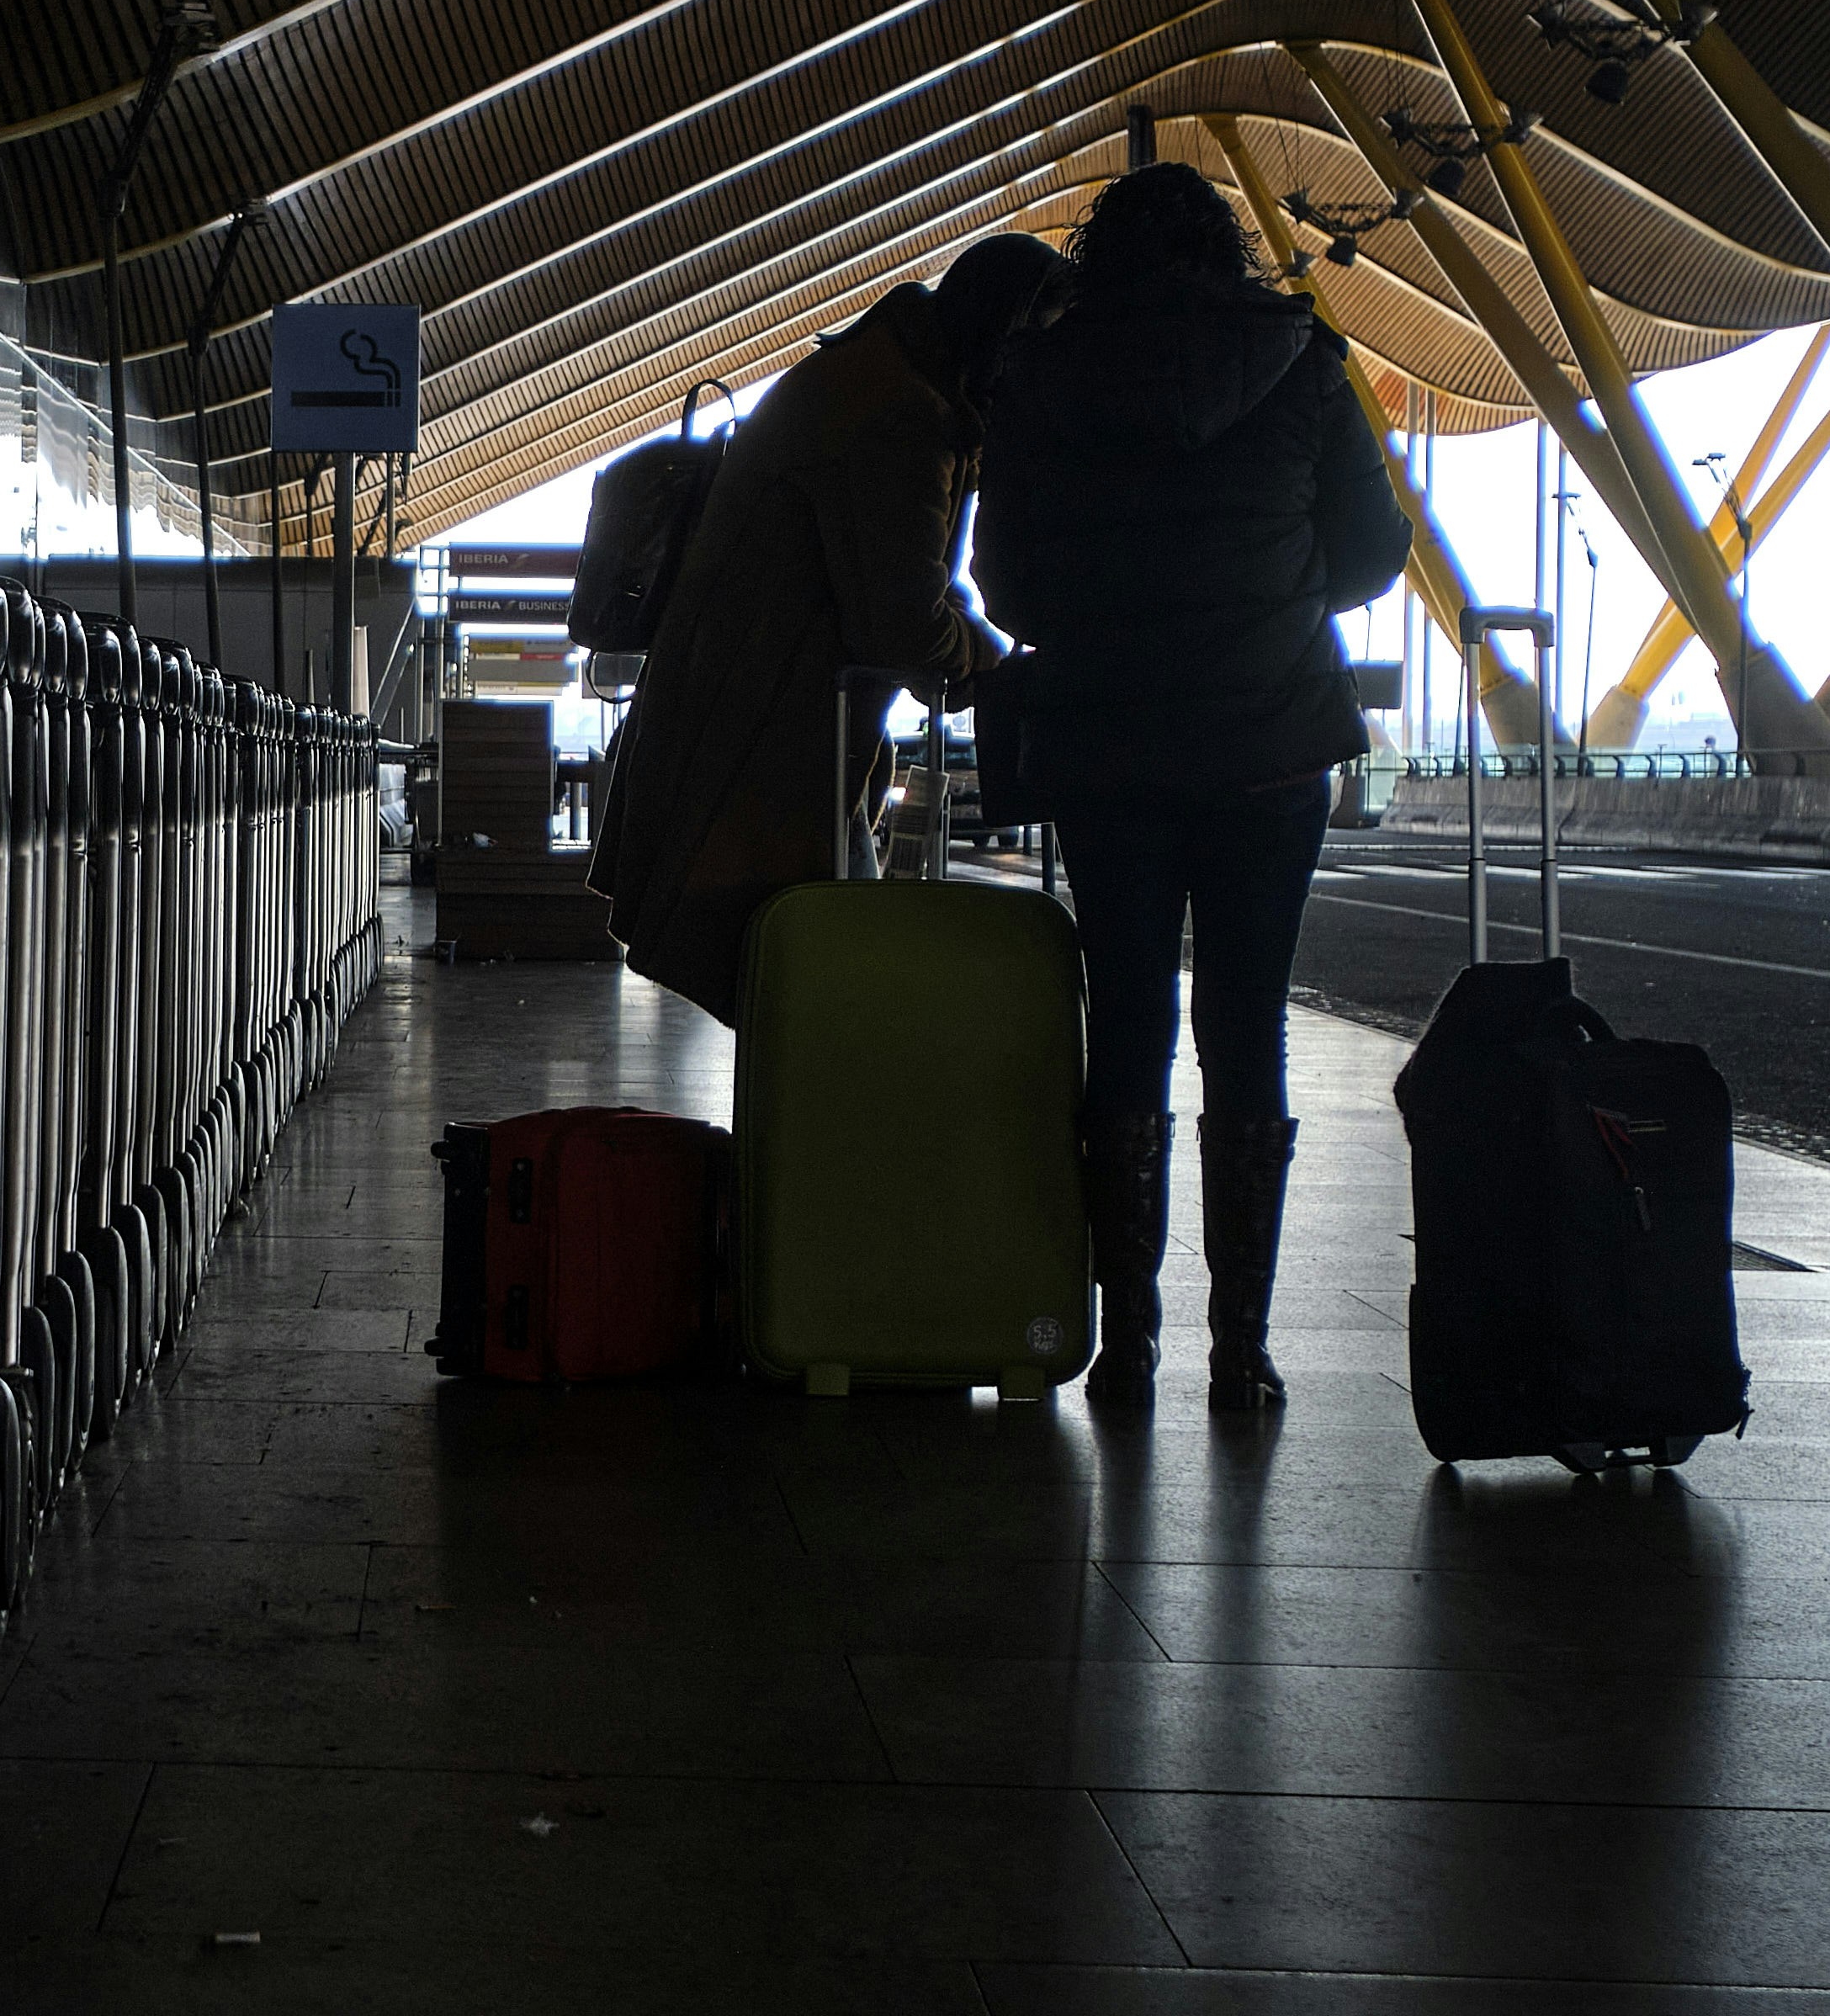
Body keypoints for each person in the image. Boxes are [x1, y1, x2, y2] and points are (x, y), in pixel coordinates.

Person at [973, 160, 1408, 1412]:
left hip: (1109, 749)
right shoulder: (1297, 359)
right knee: (1245, 1030)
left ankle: (1128, 1343)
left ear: (1098, 254)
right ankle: (1241, 1349)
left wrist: (1112, 613)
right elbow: (1376, 551)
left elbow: (1003, 585)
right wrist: (1269, 596)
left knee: (1127, 1028)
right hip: (1269, 742)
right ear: (1224, 253)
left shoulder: (1040, 377)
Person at [589, 233, 1062, 1016]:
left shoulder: (879, 376)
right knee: (820, 992)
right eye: (1044, 348)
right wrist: (995, 662)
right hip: (767, 748)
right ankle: (813, 1140)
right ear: (1007, 335)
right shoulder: (900, 416)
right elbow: (904, 622)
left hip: (761, 732)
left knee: (813, 989)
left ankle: (806, 1135)